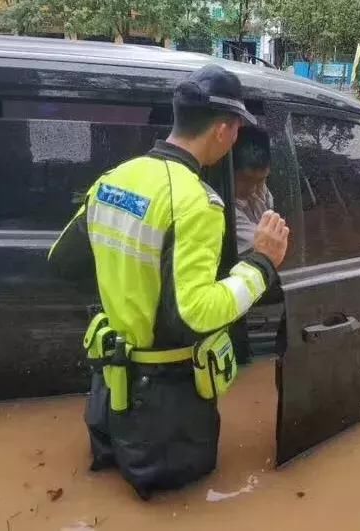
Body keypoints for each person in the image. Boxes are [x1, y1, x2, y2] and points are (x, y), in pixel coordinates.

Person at [47, 64, 289, 499]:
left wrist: (127, 287)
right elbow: (196, 314)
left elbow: (63, 262)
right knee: (178, 500)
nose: (236, 139)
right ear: (223, 130)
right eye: (236, 129)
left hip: (109, 394)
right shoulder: (197, 203)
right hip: (166, 412)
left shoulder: (114, 180)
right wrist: (262, 264)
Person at [233, 125, 274, 255]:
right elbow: (267, 247)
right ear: (230, 172)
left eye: (260, 181)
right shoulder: (225, 212)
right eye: (245, 180)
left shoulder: (262, 194)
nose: (252, 189)